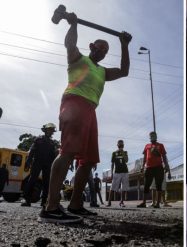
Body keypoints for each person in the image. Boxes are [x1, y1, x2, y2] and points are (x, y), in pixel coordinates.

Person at [39, 11, 131, 224]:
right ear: (92, 47)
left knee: (88, 161)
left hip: (91, 110)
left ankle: (76, 204)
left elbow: (125, 71)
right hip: (74, 102)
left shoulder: (103, 72)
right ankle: (50, 207)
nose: (104, 52)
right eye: (101, 48)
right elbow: (69, 44)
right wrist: (73, 24)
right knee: (68, 152)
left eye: (107, 51)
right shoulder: (78, 59)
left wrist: (124, 44)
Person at [21, 123, 58, 207]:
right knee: (32, 180)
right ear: (45, 130)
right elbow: (32, 151)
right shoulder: (38, 139)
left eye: (52, 130)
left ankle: (44, 202)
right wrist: (28, 161)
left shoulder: (52, 143)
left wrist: (54, 165)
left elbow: (53, 156)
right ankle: (27, 200)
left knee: (46, 182)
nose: (50, 131)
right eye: (49, 129)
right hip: (37, 162)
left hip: (47, 164)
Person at [137, 132, 170, 208]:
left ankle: (158, 204)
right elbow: (145, 157)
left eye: (154, 135)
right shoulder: (147, 146)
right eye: (151, 136)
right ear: (149, 137)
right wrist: (142, 167)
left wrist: (167, 166)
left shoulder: (160, 145)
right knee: (146, 185)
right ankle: (144, 203)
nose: (152, 137)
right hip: (149, 168)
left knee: (159, 185)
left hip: (159, 167)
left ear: (156, 136)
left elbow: (164, 156)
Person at [107, 140, 129, 207]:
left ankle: (121, 202)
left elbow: (126, 160)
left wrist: (122, 153)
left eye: (122, 144)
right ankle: (109, 202)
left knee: (124, 187)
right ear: (117, 145)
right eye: (119, 144)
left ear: (123, 145)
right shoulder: (114, 153)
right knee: (113, 187)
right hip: (117, 172)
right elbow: (112, 164)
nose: (120, 145)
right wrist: (111, 173)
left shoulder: (125, 152)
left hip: (125, 171)